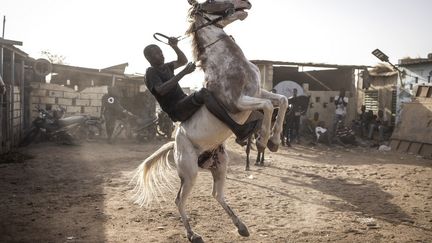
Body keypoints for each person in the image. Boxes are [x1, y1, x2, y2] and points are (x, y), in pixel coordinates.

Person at [143, 37, 259, 143]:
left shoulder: (166, 67)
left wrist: (175, 46)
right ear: (148, 58)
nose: (161, 55)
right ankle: (237, 129)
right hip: (176, 109)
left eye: (161, 52)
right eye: (157, 54)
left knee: (212, 91)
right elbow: (161, 90)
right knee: (204, 93)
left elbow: (182, 60)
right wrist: (184, 72)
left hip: (184, 101)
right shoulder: (151, 72)